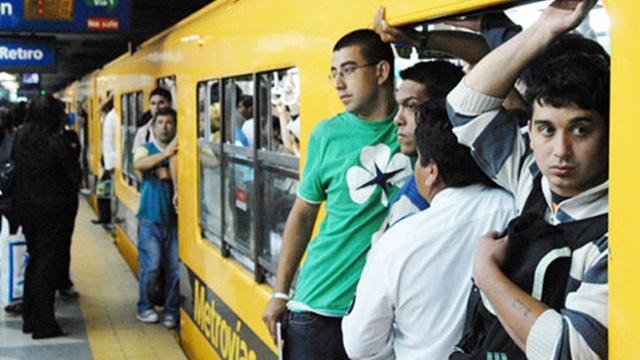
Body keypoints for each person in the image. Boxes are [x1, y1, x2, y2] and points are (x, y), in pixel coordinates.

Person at [446, 0, 608, 358]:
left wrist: (486, 273)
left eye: (581, 131)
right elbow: (464, 105)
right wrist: (544, 29)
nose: (561, 151)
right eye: (546, 130)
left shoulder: (614, 236)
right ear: (529, 132)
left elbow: (570, 349)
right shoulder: (531, 175)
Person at [262, 29, 413, 359]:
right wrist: (280, 293)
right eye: (334, 73)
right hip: (322, 306)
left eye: (347, 70)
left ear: (382, 71)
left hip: (390, 311)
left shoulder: (414, 128)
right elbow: (303, 214)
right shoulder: (326, 135)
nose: (338, 83)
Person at [342, 100, 516, 359]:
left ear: (432, 172)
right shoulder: (516, 209)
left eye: (419, 160)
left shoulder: (397, 242)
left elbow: (360, 345)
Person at [13, 95, 82, 339]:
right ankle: (44, 324)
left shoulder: (21, 138)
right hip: (54, 211)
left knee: (34, 261)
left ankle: (29, 320)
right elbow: (74, 176)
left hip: (27, 209)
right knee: (48, 266)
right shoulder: (57, 141)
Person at [381, 61, 463, 231]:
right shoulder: (412, 192)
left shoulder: (413, 203)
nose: (398, 119)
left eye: (411, 106)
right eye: (399, 107)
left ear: (441, 109)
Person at [133, 107, 179, 329]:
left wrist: (170, 172)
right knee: (151, 266)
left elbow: (213, 162)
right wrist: (165, 155)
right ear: (153, 127)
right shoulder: (146, 149)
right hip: (150, 219)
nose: (164, 127)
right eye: (160, 122)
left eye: (169, 123)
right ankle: (144, 306)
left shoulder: (182, 151)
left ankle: (171, 310)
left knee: (175, 269)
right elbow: (138, 164)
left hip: (176, 221)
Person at [91, 95, 116, 225]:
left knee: (104, 192)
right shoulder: (108, 117)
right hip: (108, 161)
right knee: (103, 192)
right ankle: (105, 218)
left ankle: (106, 219)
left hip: (111, 162)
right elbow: (97, 109)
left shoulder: (113, 117)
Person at [132, 87, 173, 154]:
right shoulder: (143, 132)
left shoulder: (180, 128)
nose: (156, 107)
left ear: (170, 103)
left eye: (161, 103)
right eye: (153, 103)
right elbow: (137, 159)